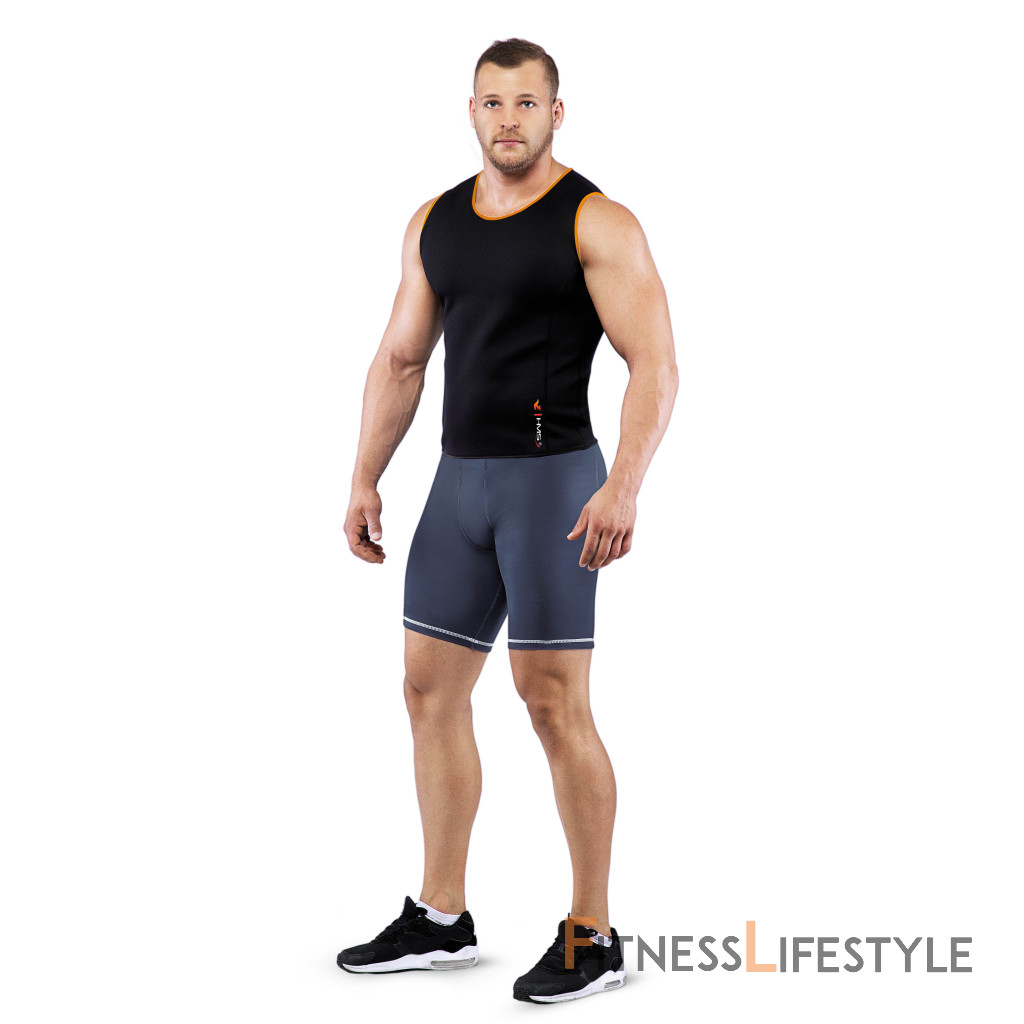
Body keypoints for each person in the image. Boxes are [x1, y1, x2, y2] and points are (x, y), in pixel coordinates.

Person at [336, 37, 677, 1004]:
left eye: (528, 103)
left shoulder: (596, 220)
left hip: (554, 487)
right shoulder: (435, 221)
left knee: (552, 702)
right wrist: (363, 476)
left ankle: (593, 933)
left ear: (556, 113)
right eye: (493, 102)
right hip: (460, 488)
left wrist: (624, 486)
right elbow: (402, 359)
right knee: (427, 691)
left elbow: (655, 362)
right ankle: (443, 916)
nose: (509, 119)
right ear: (472, 111)